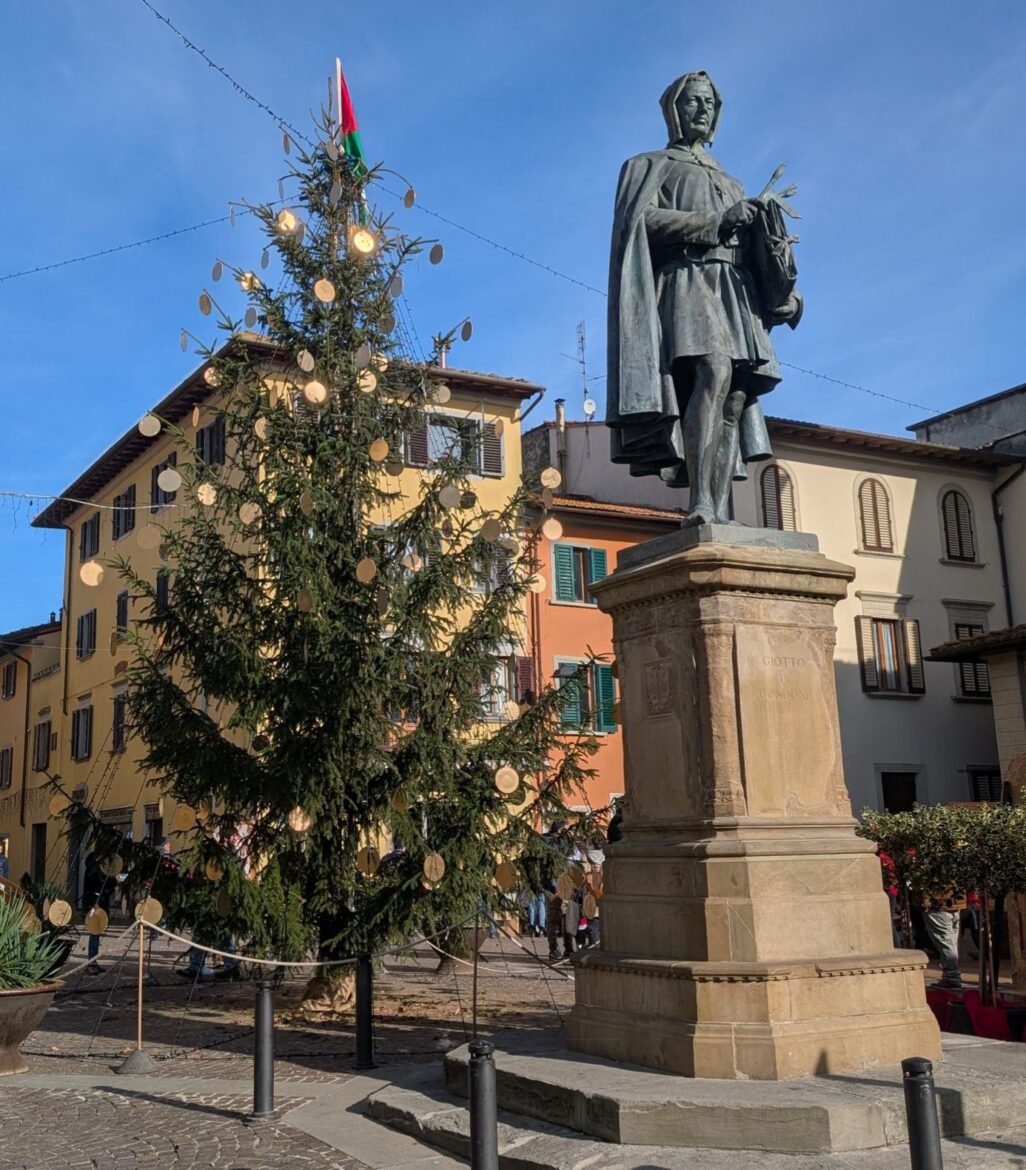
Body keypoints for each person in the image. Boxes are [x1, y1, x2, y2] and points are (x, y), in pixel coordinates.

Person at [606, 70, 802, 524]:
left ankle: (716, 506)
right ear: (674, 109)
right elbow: (641, 223)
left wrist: (785, 294)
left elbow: (755, 252)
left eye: (709, 103)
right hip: (687, 282)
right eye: (692, 101)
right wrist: (715, 222)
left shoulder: (733, 184)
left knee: (735, 396)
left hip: (735, 290)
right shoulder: (648, 166)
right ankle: (699, 502)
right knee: (713, 371)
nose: (702, 109)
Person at [81, 849, 113, 975]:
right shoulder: (95, 870)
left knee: (96, 933)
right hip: (95, 903)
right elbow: (103, 885)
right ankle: (92, 963)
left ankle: (93, 961)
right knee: (95, 933)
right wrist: (113, 881)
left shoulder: (92, 868)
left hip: (96, 902)